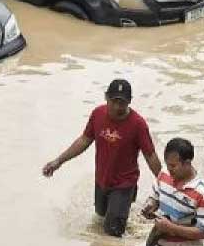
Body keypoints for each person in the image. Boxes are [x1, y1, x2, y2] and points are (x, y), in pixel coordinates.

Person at [42, 79, 162, 237]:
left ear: (130, 102)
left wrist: (166, 184)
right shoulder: (97, 114)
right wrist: (59, 161)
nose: (118, 107)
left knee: (112, 232)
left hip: (124, 184)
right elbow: (84, 140)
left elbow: (150, 155)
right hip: (102, 181)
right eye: (114, 101)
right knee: (100, 219)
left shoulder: (138, 124)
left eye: (122, 103)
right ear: (106, 97)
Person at [140, 138, 204, 245]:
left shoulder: (203, 193)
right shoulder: (164, 174)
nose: (169, 169)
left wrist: (172, 228)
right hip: (159, 241)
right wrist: (151, 205)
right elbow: (155, 196)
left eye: (173, 166)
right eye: (167, 164)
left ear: (187, 163)